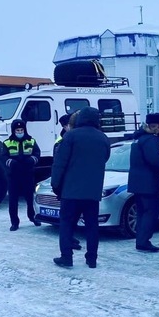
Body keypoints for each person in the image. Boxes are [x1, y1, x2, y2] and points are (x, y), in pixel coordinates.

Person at [51, 107, 111, 268]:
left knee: (66, 224)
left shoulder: (70, 136)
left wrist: (56, 185)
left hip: (70, 191)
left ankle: (66, 257)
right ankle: (92, 259)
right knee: (92, 226)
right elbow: (105, 158)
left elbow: (60, 163)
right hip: (92, 192)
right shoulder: (103, 138)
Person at [127, 113, 159, 252]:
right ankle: (144, 241)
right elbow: (154, 160)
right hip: (148, 183)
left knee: (142, 212)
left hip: (137, 183)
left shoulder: (138, 139)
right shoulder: (151, 140)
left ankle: (140, 240)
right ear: (157, 126)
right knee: (151, 212)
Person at [2, 119, 41, 231]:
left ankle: (32, 217)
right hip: (13, 175)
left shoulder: (31, 141)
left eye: (21, 130)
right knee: (13, 200)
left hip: (28, 174)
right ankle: (14, 222)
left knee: (30, 198)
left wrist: (32, 160)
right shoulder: (7, 142)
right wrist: (11, 162)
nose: (20, 132)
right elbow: (3, 156)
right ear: (13, 131)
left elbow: (37, 153)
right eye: (17, 130)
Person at [54, 113, 83, 251]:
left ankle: (70, 238)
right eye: (66, 125)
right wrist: (57, 186)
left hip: (74, 184)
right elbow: (58, 165)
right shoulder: (62, 141)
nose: (68, 127)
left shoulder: (73, 137)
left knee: (74, 215)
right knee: (67, 217)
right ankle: (67, 244)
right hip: (66, 184)